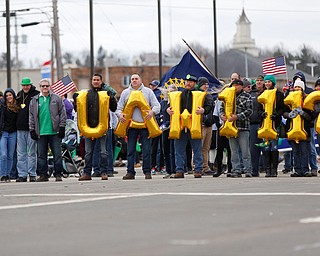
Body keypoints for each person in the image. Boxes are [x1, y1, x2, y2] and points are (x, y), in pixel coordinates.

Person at [167, 74, 213, 178]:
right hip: (180, 126)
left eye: (191, 81)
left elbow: (210, 105)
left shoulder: (201, 95)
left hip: (195, 126)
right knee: (178, 149)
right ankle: (179, 170)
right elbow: (169, 106)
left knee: (197, 149)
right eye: (187, 81)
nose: (188, 83)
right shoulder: (179, 94)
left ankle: (198, 169)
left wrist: (203, 110)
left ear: (195, 83)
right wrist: (168, 110)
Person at [116, 73, 160, 180]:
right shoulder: (125, 93)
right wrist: (120, 115)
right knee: (130, 150)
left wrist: (151, 112)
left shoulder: (148, 92)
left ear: (140, 80)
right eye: (132, 79)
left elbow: (157, 106)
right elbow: (119, 108)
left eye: (136, 79)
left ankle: (147, 172)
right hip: (131, 127)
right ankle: (130, 172)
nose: (134, 80)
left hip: (145, 126)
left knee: (146, 150)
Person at [76, 73, 117, 181]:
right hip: (89, 127)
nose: (96, 81)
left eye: (98, 80)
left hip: (103, 127)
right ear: (91, 81)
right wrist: (76, 102)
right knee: (88, 152)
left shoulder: (106, 94)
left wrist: (112, 98)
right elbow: (78, 110)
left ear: (101, 81)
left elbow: (113, 108)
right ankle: (87, 173)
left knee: (103, 151)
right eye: (94, 79)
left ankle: (104, 172)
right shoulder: (87, 94)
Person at [29, 78, 67, 182]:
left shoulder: (57, 98)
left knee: (57, 154)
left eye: (47, 86)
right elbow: (31, 116)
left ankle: (58, 174)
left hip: (54, 131)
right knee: (41, 155)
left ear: (50, 86)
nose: (45, 88)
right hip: (40, 132)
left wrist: (62, 126)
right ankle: (43, 175)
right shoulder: (35, 100)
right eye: (43, 86)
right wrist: (32, 129)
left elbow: (62, 113)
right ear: (40, 87)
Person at [220, 79, 253, 177]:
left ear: (241, 86)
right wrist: (222, 115)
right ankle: (236, 170)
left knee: (245, 150)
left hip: (243, 127)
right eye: (233, 85)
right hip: (230, 127)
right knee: (233, 151)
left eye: (237, 85)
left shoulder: (247, 96)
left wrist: (237, 116)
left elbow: (249, 111)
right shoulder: (228, 95)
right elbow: (222, 107)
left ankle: (247, 170)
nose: (235, 87)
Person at [283, 80, 314, 177]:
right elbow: (283, 112)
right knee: (295, 152)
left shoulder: (306, 99)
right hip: (292, 129)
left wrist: (302, 113)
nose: (297, 89)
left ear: (302, 88)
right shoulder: (289, 99)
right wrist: (289, 114)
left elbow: (310, 117)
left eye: (299, 87)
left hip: (304, 130)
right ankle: (297, 169)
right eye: (295, 87)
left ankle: (305, 169)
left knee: (304, 151)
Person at [15, 77, 40, 182]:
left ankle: (32, 174)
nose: (25, 87)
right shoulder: (19, 95)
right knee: (20, 153)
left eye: (27, 85)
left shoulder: (36, 94)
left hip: (31, 129)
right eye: (24, 85)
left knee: (32, 152)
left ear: (31, 85)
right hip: (20, 129)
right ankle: (22, 174)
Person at [260, 75, 284, 177]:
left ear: (273, 83)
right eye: (266, 82)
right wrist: (261, 114)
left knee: (274, 147)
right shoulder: (262, 94)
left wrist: (277, 114)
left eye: (269, 82)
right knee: (266, 147)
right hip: (264, 125)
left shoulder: (279, 94)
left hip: (275, 124)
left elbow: (282, 108)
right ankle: (267, 169)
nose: (267, 84)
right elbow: (258, 109)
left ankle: (274, 169)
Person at [0, 89, 19, 182]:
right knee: (3, 154)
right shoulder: (2, 107)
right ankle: (2, 174)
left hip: (13, 133)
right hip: (3, 132)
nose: (8, 97)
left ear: (13, 96)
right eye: (7, 96)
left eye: (10, 95)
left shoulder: (17, 107)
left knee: (10, 155)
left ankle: (8, 174)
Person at [197, 77, 215, 175]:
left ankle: (205, 167)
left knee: (206, 147)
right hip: (201, 124)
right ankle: (197, 166)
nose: (206, 86)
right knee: (198, 146)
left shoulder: (208, 95)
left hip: (209, 124)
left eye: (207, 84)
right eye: (204, 84)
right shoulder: (197, 95)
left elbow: (211, 108)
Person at [249, 75, 264, 177]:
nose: (259, 82)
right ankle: (254, 170)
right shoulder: (251, 93)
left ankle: (269, 169)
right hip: (253, 124)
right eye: (257, 80)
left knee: (267, 148)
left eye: (261, 80)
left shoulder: (269, 93)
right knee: (253, 149)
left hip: (265, 124)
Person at [149, 80, 164, 174]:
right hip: (156, 122)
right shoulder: (152, 94)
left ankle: (154, 166)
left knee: (155, 147)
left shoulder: (156, 95)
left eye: (153, 85)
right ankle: (160, 166)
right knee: (159, 147)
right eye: (151, 85)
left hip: (155, 122)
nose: (152, 86)